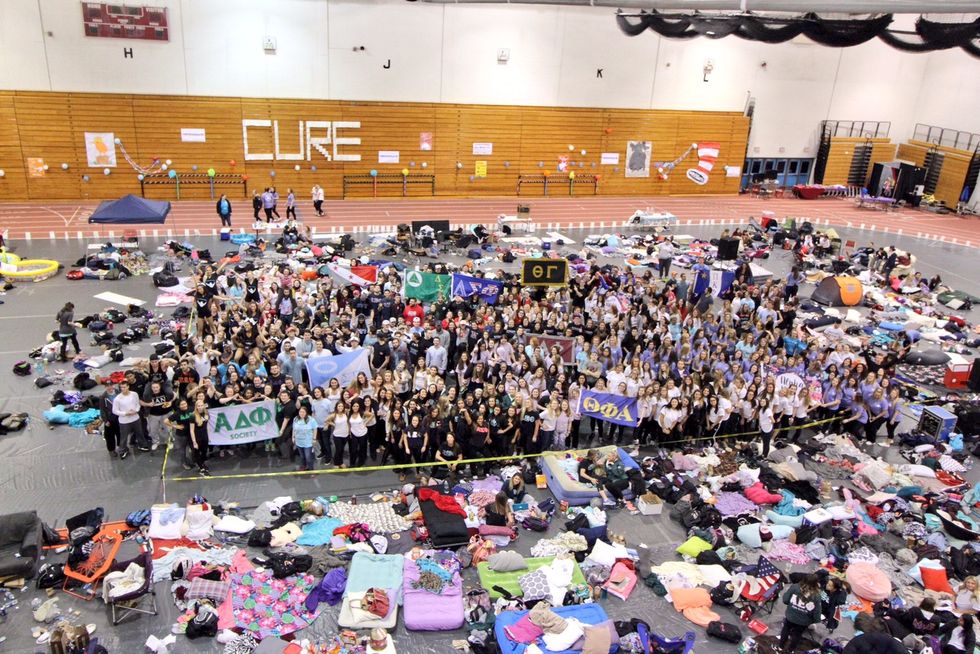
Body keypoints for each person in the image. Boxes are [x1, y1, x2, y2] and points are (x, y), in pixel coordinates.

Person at [779, 575, 823, 654]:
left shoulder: (794, 587)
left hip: (790, 616)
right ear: (816, 583)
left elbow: (785, 600)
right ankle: (790, 650)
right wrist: (815, 620)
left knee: (785, 629)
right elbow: (817, 612)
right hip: (803, 621)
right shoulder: (817, 596)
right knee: (797, 635)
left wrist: (792, 606)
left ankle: (780, 646)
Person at [189, 399, 211, 476]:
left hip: (205, 436)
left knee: (204, 452)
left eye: (201, 405)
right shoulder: (192, 416)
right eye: (198, 406)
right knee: (197, 453)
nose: (200, 407)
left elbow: (207, 426)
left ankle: (201, 464)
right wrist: (194, 442)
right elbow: (191, 430)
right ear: (196, 407)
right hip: (197, 437)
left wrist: (209, 436)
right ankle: (201, 468)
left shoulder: (206, 413)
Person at [292, 405, 317, 472]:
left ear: (306, 412)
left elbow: (315, 429)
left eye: (303, 412)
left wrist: (314, 438)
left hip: (308, 442)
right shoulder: (295, 419)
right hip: (299, 441)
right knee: (302, 456)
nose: (301, 413)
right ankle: (304, 466)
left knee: (308, 457)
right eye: (300, 412)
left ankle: (311, 469)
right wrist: (293, 437)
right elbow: (294, 429)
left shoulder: (311, 420)